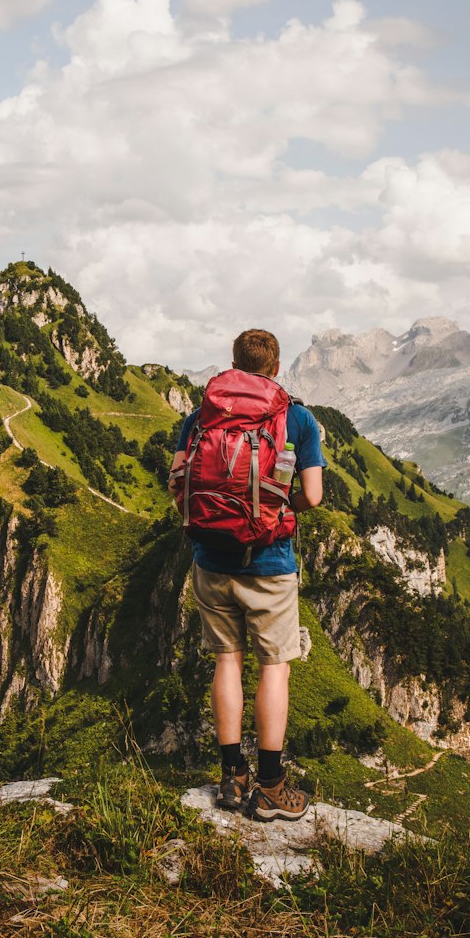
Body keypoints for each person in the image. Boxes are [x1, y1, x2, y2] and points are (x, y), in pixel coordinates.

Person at [171, 328, 325, 821]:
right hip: (269, 562)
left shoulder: (200, 417)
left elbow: (178, 482)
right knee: (274, 666)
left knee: (227, 662)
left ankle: (232, 776)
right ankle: (273, 786)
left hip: (210, 559)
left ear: (234, 365)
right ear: (275, 368)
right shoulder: (296, 418)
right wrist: (281, 508)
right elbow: (315, 495)